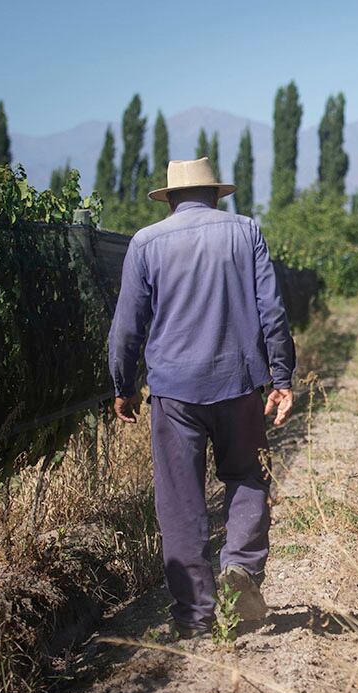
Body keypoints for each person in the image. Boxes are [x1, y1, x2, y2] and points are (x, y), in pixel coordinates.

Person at [108, 157, 295, 638]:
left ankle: (195, 616)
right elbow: (270, 309)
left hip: (173, 394)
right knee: (248, 476)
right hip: (238, 384)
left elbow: (127, 326)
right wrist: (281, 378)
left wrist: (123, 386)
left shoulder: (145, 243)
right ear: (216, 194)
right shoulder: (246, 231)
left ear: (169, 198)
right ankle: (242, 569)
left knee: (180, 500)